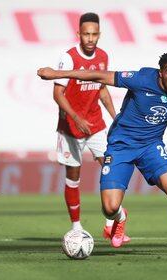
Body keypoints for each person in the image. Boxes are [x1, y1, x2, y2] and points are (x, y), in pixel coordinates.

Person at [38, 49, 167, 257]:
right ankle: (120, 218)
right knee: (110, 208)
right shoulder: (141, 79)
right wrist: (56, 74)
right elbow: (97, 75)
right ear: (160, 73)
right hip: (121, 146)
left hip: (151, 146)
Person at [52, 12, 130, 243]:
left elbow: (102, 89)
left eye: (94, 34)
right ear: (79, 34)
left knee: (110, 167)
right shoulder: (68, 58)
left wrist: (116, 117)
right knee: (73, 178)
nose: (90, 38)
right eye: (86, 34)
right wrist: (75, 118)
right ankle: (76, 227)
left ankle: (111, 222)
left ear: (99, 35)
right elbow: (57, 94)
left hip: (95, 124)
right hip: (70, 128)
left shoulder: (103, 56)